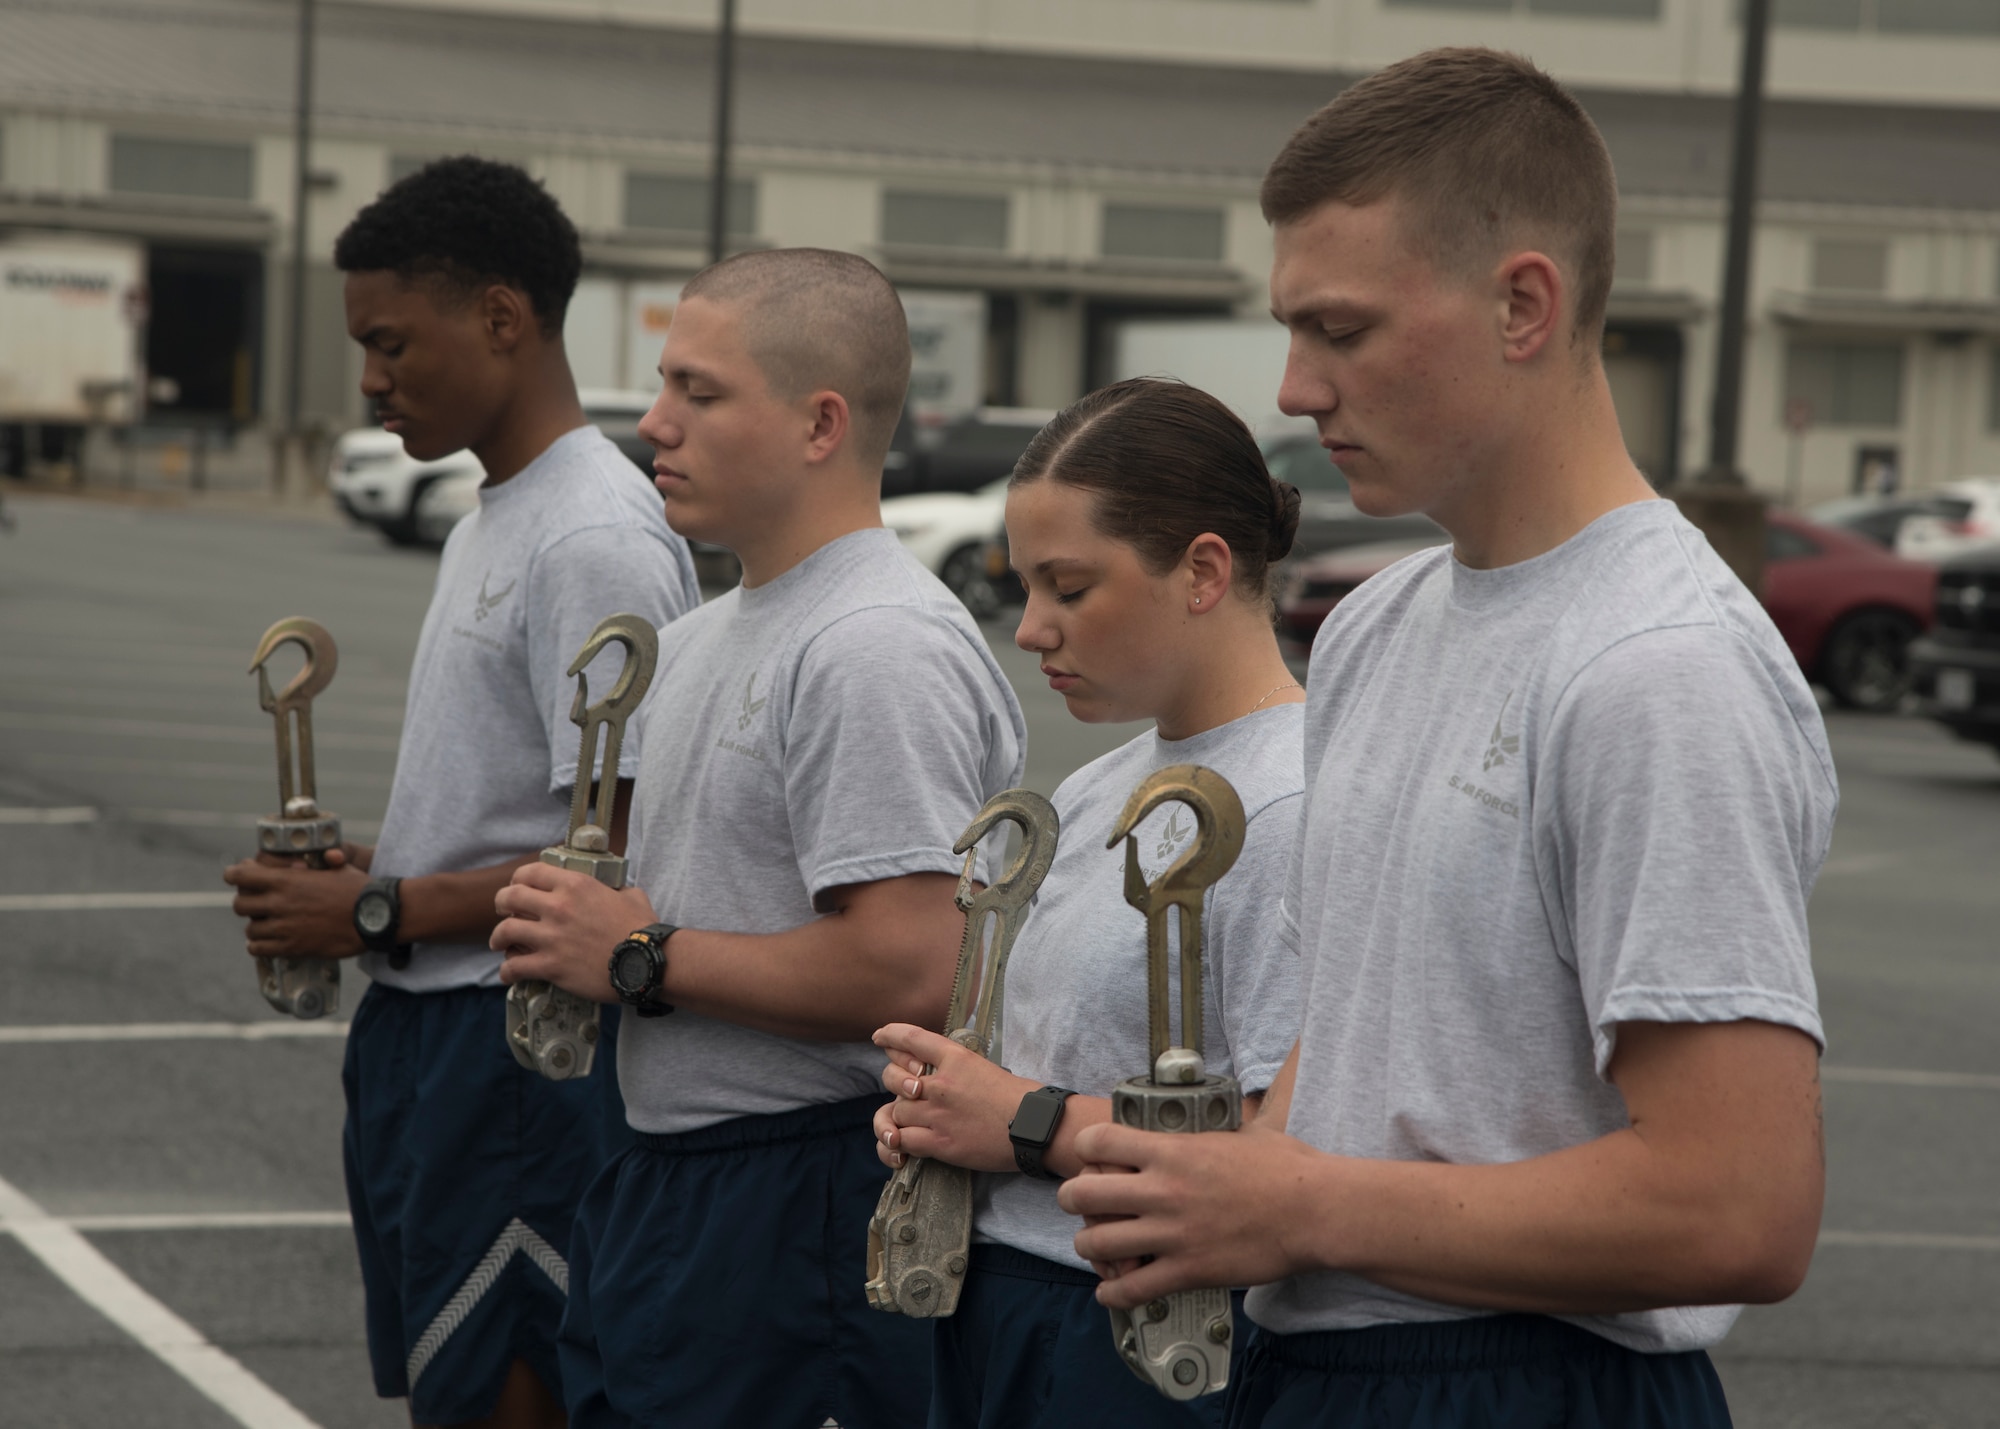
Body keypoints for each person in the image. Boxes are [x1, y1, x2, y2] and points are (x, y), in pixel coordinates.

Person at [1056, 48, 1836, 1429]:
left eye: (1341, 331)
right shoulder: (1373, 625)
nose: (1293, 390)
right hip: (1321, 1362)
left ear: (1522, 304)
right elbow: (1357, 1023)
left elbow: (1738, 1209)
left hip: (1530, 1382)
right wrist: (1229, 1187)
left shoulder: (1657, 669)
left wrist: (1299, 1204)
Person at [488, 247, 1027, 1429]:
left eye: (700, 391)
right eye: (663, 387)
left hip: (802, 1193)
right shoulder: (701, 636)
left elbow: (911, 965)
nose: (654, 423)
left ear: (819, 422)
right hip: (671, 1180)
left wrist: (637, 957)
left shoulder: (874, 642)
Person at [223, 157, 700, 1429]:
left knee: (513, 1381)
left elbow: (626, 857)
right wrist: (365, 875)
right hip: (433, 1031)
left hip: (516, 1048)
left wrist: (379, 915)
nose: (371, 378)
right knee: (449, 1379)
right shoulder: (495, 513)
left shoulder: (592, 533)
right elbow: (511, 820)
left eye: (389, 342)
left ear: (501, 316)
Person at [869, 377, 1306, 1428]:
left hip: (1150, 1336)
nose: (1030, 628)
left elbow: (1287, 1154)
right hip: (1004, 1306)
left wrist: (1019, 1123)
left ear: (1202, 569)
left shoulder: (1298, 800)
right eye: (1021, 587)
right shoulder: (1096, 787)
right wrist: (944, 1104)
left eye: (1068, 587)